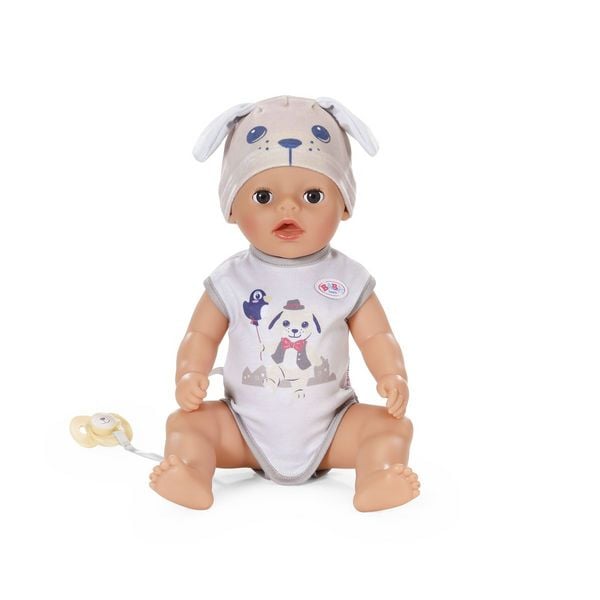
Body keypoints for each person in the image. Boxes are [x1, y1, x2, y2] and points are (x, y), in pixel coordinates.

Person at [149, 95, 420, 511]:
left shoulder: (347, 278)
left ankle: (378, 475)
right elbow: (199, 335)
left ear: (344, 205)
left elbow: (377, 336)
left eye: (313, 196)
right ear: (231, 208)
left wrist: (392, 376)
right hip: (240, 428)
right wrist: (189, 374)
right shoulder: (231, 279)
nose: (288, 207)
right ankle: (189, 469)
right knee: (187, 424)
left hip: (334, 429)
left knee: (390, 427)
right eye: (263, 197)